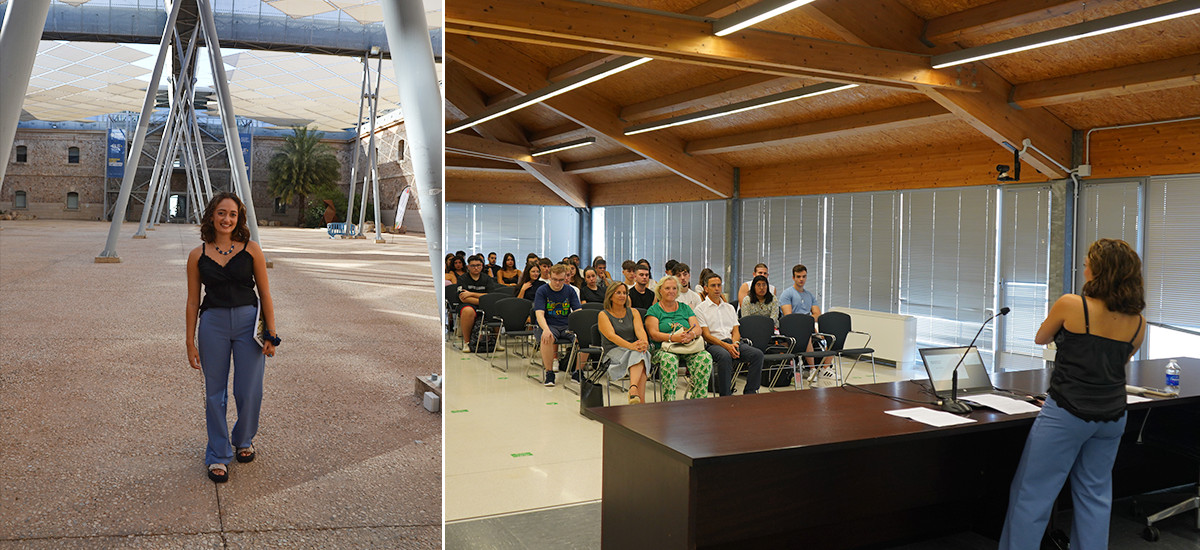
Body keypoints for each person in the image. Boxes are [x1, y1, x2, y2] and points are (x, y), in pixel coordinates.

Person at [999, 239, 1146, 550]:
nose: (1084, 267)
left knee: (1033, 494)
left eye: (1088, 263)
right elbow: (1118, 362)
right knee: (1095, 496)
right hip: (1112, 417)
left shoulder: (1072, 303)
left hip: (1066, 413)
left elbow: (1042, 337)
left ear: (1099, 271)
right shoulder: (1138, 322)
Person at [186, 192, 278, 483]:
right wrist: (189, 341)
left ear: (239, 219)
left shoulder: (252, 250)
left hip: (248, 323)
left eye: (233, 214)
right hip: (212, 324)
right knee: (215, 393)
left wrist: (271, 333)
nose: (227, 219)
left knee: (249, 390)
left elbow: (265, 293)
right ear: (212, 215)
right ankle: (217, 454)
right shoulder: (197, 255)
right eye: (222, 213)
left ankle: (244, 438)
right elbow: (192, 301)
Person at [645, 276, 712, 401]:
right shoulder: (654, 310)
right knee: (669, 360)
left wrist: (691, 335)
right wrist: (673, 337)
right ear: (660, 291)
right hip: (664, 349)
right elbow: (653, 334)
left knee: (705, 358)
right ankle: (668, 402)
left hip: (687, 347)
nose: (671, 291)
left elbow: (697, 329)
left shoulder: (685, 308)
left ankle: (698, 399)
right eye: (667, 288)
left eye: (674, 288)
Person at [695, 273, 764, 396]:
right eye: (713, 286)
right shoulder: (700, 309)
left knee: (757, 354)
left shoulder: (729, 308)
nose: (717, 288)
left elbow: (736, 331)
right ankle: (726, 395)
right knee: (725, 356)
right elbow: (706, 335)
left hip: (732, 342)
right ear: (706, 288)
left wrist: (735, 344)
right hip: (713, 344)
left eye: (718, 285)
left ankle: (750, 392)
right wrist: (727, 346)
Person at [597, 282, 652, 404]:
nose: (622, 296)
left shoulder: (633, 312)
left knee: (642, 354)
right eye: (618, 293)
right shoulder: (603, 314)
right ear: (610, 296)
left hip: (633, 350)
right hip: (613, 351)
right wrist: (631, 346)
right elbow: (611, 336)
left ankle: (633, 391)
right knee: (642, 356)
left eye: (625, 293)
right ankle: (639, 399)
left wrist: (644, 342)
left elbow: (640, 330)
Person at [534, 264, 581, 386]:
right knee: (547, 338)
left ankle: (577, 371)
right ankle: (549, 373)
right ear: (549, 277)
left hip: (566, 325)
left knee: (583, 337)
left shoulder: (570, 291)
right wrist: (545, 329)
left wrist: (581, 328)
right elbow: (539, 314)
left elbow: (578, 312)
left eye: (561, 280)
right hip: (549, 325)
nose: (558, 283)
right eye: (555, 279)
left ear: (565, 278)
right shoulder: (542, 291)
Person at [456, 255, 506, 350]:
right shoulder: (462, 279)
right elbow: (463, 298)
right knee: (467, 311)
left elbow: (490, 296)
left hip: (486, 304)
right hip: (468, 304)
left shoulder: (487, 279)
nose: (476, 268)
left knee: (495, 310)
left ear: (482, 266)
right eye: (473, 265)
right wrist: (482, 298)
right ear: (468, 267)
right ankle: (467, 343)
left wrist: (471, 293)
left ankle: (496, 342)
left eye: (478, 265)